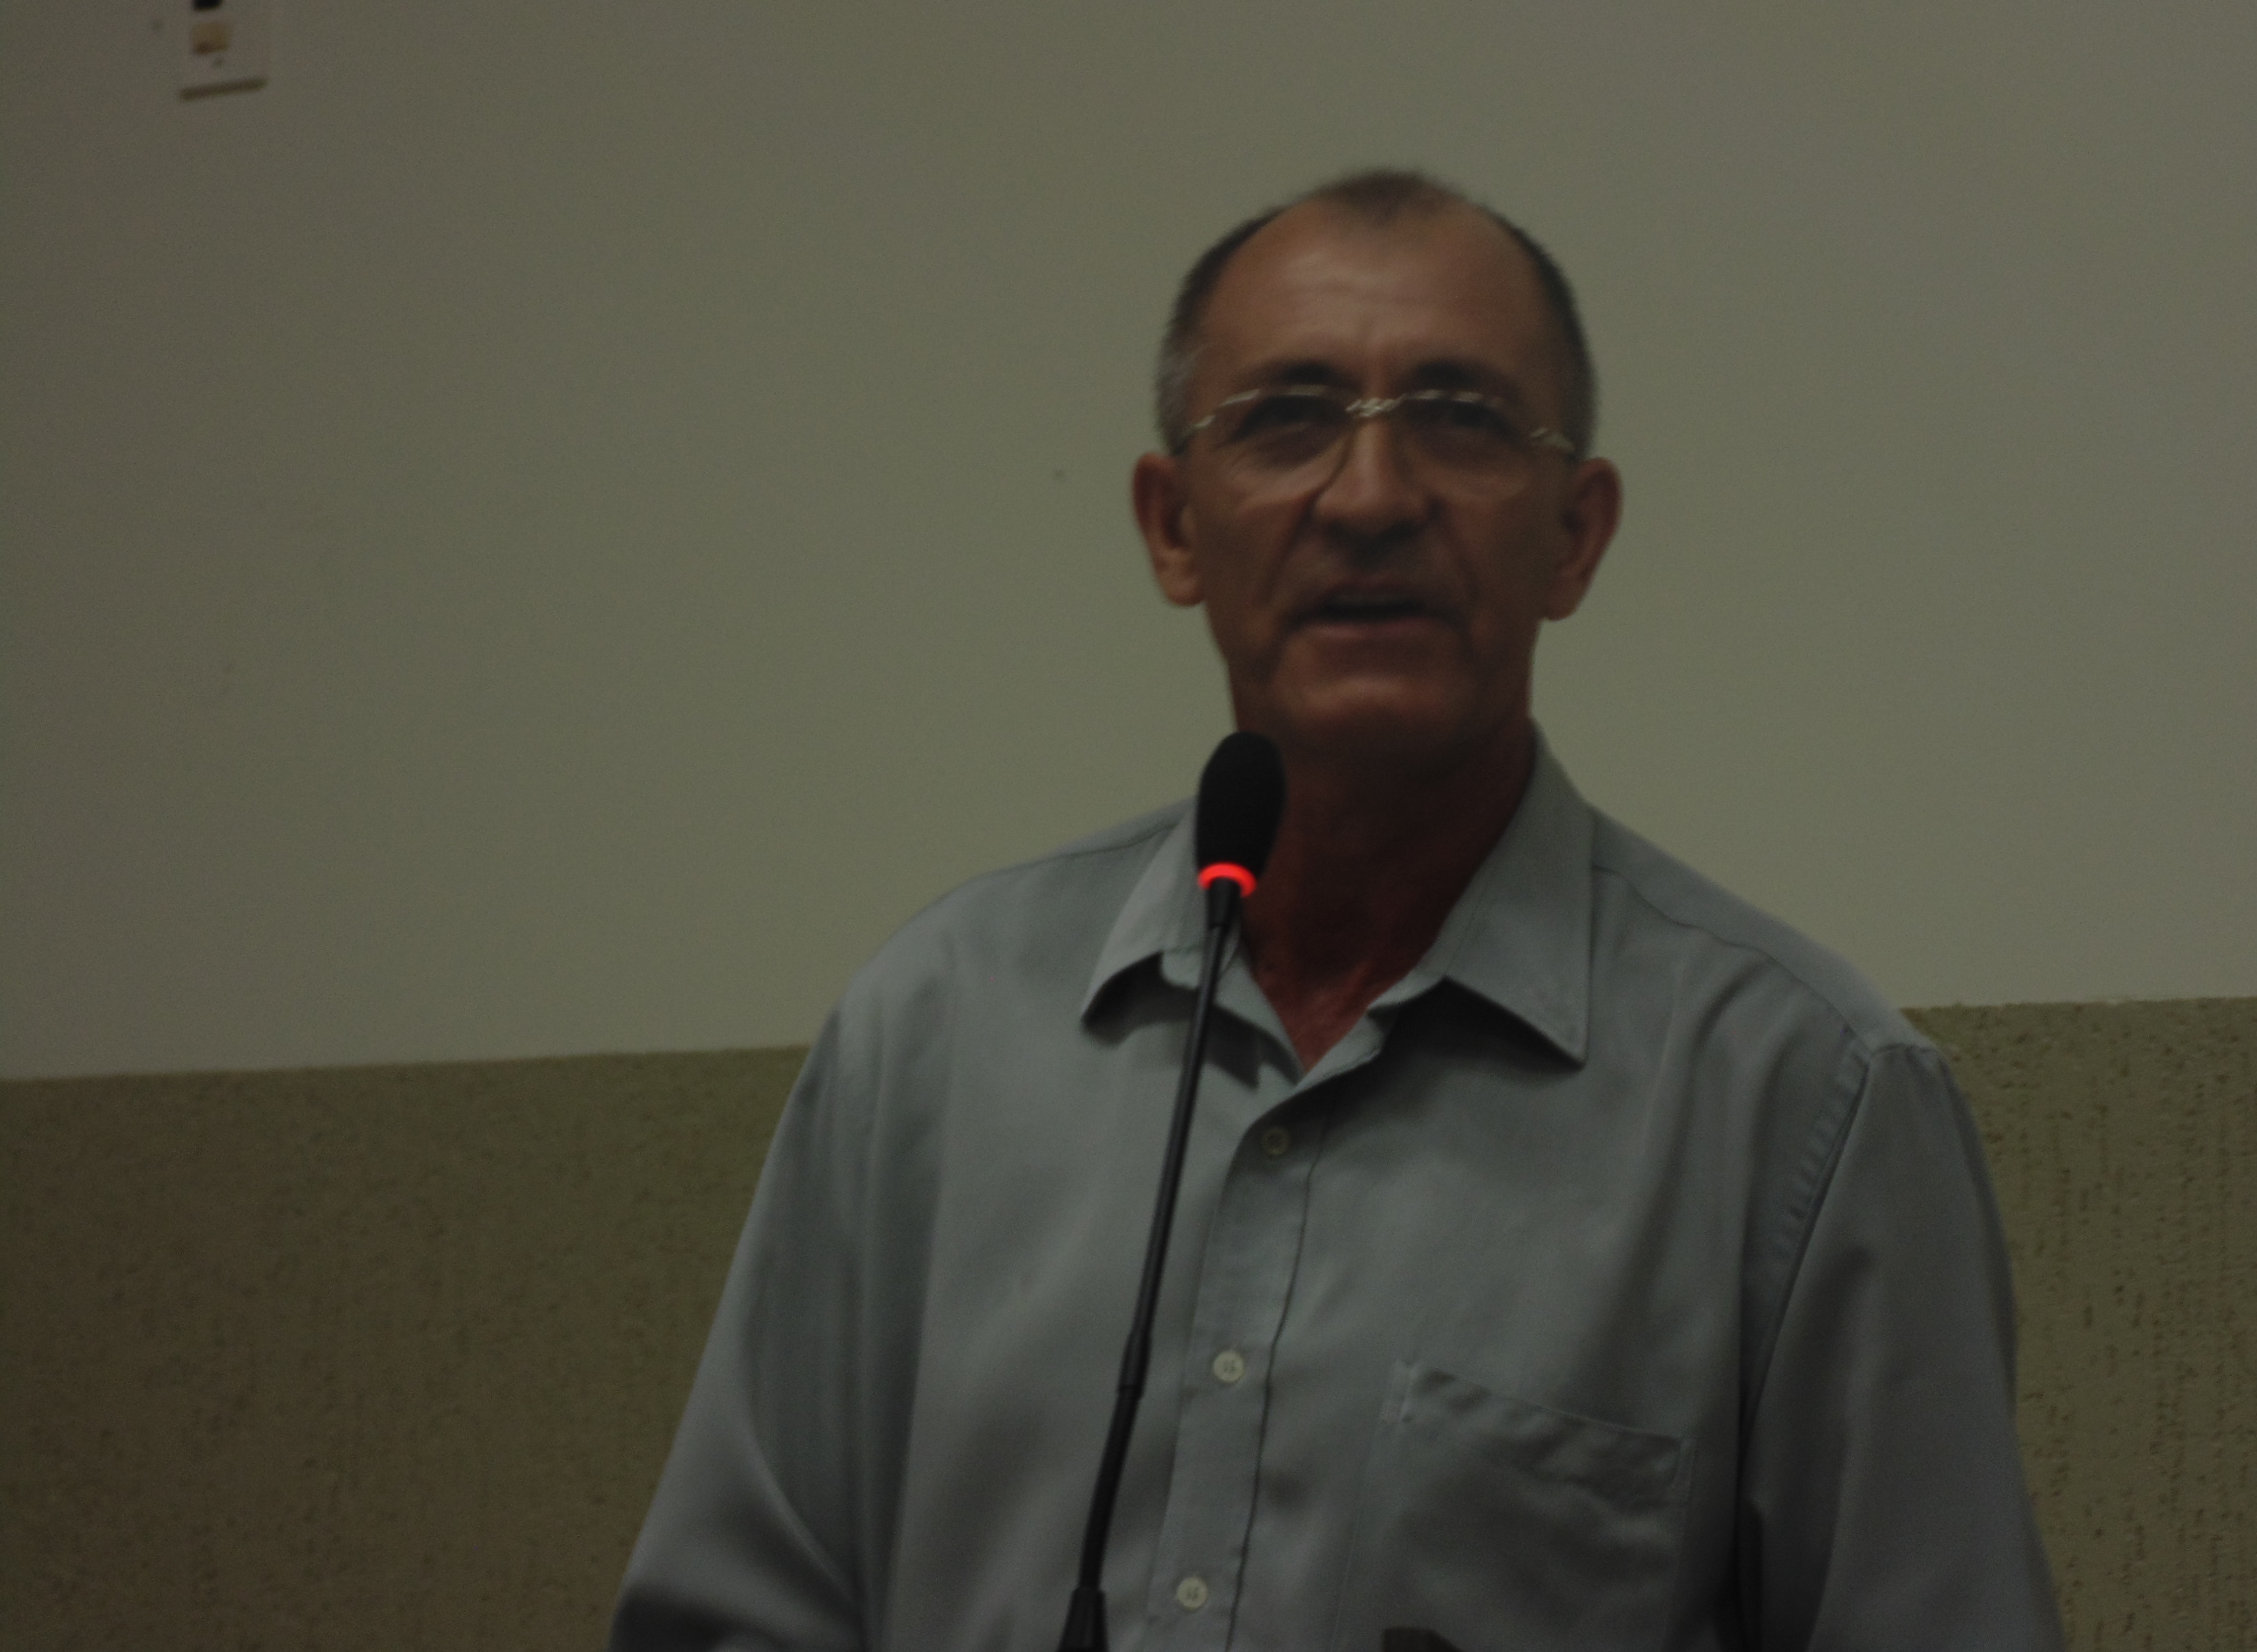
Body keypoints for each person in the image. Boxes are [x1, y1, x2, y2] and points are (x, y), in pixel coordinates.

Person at [610, 170, 2064, 1651]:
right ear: (1174, 527)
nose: (1370, 499)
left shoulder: (1804, 1107)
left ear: (1575, 534)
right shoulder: (932, 1034)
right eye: (1287, 420)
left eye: (1462, 419)